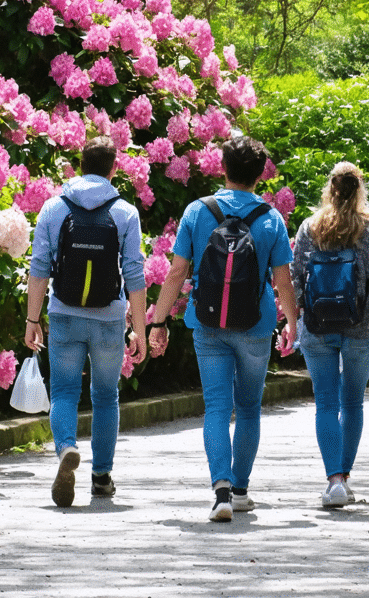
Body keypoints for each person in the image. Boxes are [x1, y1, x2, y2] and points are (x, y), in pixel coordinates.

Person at [148, 136, 298, 522]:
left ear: (222, 167)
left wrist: (159, 321)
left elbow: (177, 272)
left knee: (216, 407)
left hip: (208, 322)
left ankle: (222, 491)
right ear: (259, 172)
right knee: (248, 407)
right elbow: (283, 280)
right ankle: (242, 488)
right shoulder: (272, 219)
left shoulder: (198, 212)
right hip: (256, 324)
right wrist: (292, 322)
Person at [25, 137, 147, 508]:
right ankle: (102, 477)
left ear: (79, 165)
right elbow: (135, 274)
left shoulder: (53, 208)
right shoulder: (125, 212)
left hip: (64, 312)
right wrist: (139, 329)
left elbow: (39, 267)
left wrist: (33, 318)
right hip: (109, 318)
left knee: (64, 392)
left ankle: (65, 448)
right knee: (106, 397)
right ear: (114, 169)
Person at [281, 162, 369, 508]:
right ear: (360, 189)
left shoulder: (310, 227)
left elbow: (295, 278)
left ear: (330, 188)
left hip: (318, 328)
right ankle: (345, 478)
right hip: (361, 328)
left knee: (325, 403)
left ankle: (334, 480)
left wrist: (296, 321)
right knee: (352, 402)